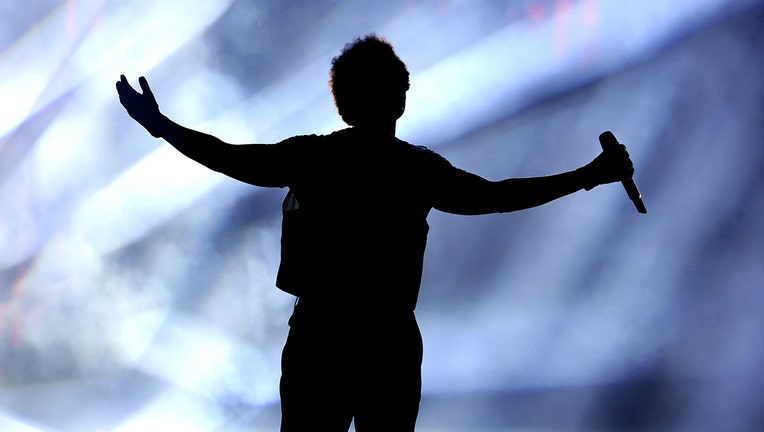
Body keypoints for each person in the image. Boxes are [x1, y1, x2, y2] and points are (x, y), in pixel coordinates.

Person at [116, 34, 634, 432]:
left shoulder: (313, 158)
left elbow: (230, 158)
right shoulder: (414, 169)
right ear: (397, 98)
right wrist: (589, 175)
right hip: (387, 341)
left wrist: (161, 125)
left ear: (343, 99)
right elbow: (495, 197)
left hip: (320, 338)